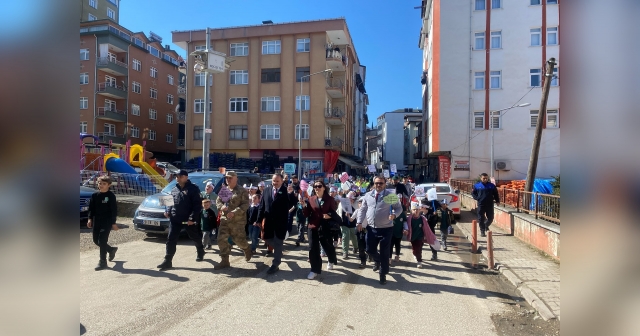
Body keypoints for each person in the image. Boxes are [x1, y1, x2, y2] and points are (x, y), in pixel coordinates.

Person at [357, 175, 403, 285]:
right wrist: (359, 222)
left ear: (385, 184)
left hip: (386, 228)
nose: (378, 185)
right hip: (372, 228)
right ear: (374, 184)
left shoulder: (390, 196)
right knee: (369, 249)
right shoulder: (368, 195)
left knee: (384, 252)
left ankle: (383, 274)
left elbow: (399, 208)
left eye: (381, 183)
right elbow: (363, 209)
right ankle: (377, 261)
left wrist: (395, 215)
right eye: (376, 183)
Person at [157, 170, 204, 270]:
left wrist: (192, 218)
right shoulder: (174, 189)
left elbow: (197, 206)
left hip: (188, 220)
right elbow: (169, 203)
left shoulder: (193, 189)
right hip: (175, 219)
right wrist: (167, 211)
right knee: (171, 239)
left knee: (194, 236)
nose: (177, 178)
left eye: (179, 176)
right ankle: (167, 261)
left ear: (185, 177)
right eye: (176, 176)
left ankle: (200, 250)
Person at [255, 174, 298, 274]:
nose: (275, 183)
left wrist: (291, 194)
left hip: (280, 222)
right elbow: (262, 206)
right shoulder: (266, 190)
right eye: (274, 181)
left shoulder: (287, 191)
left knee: (278, 241)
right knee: (266, 238)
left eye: (277, 181)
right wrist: (258, 220)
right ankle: (279, 250)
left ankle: (275, 264)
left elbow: (293, 203)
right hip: (269, 221)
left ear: (282, 181)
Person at [214, 171, 252, 270]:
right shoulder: (225, 189)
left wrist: (234, 212)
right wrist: (221, 207)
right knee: (221, 239)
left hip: (237, 221)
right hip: (225, 220)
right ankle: (225, 260)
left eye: (230, 178)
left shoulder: (241, 190)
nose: (228, 179)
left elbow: (245, 204)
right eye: (227, 178)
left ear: (236, 178)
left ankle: (247, 249)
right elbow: (218, 201)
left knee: (239, 241)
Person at [302, 180, 339, 280]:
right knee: (313, 248)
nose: (317, 188)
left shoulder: (330, 199)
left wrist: (329, 215)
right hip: (312, 226)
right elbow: (306, 214)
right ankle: (315, 269)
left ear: (324, 187)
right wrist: (304, 206)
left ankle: (331, 260)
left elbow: (333, 212)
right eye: (315, 186)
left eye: (319, 186)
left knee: (328, 246)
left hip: (325, 227)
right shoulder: (311, 199)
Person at [87, 175, 119, 271]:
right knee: (96, 241)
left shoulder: (111, 196)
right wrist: (90, 219)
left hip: (107, 221)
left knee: (102, 240)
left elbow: (114, 210)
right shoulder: (94, 195)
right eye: (99, 183)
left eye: (104, 184)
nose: (101, 185)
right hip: (97, 220)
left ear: (109, 185)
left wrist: (113, 223)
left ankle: (102, 262)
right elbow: (91, 209)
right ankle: (111, 250)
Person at [471, 173, 500, 237]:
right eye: (484, 178)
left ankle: (486, 225)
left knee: (491, 218)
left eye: (486, 178)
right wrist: (478, 198)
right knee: (481, 218)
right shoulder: (477, 185)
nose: (485, 179)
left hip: (490, 204)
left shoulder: (491, 185)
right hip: (481, 204)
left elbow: (495, 193)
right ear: (481, 178)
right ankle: (482, 231)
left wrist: (497, 201)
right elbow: (473, 193)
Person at [406, 202, 431, 268]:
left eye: (417, 209)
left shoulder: (422, 219)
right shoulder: (409, 219)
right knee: (415, 249)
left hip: (420, 236)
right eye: (414, 210)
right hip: (413, 236)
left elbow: (426, 228)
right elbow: (406, 226)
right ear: (411, 210)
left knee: (419, 248)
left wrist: (426, 235)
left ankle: (419, 261)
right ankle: (415, 254)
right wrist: (405, 231)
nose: (416, 211)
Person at [338, 191, 358, 260]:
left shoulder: (355, 204)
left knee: (354, 237)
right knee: (345, 236)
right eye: (349, 198)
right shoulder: (342, 204)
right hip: (344, 223)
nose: (350, 200)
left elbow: (360, 199)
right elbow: (338, 212)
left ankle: (355, 247)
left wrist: (355, 194)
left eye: (352, 199)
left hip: (353, 223)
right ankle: (345, 252)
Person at [352, 198, 368, 268]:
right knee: (360, 247)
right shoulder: (357, 211)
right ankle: (363, 261)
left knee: (368, 246)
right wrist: (348, 215)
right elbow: (351, 219)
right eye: (359, 203)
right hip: (359, 230)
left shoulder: (368, 211)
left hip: (367, 230)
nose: (360, 204)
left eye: (361, 203)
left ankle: (370, 255)